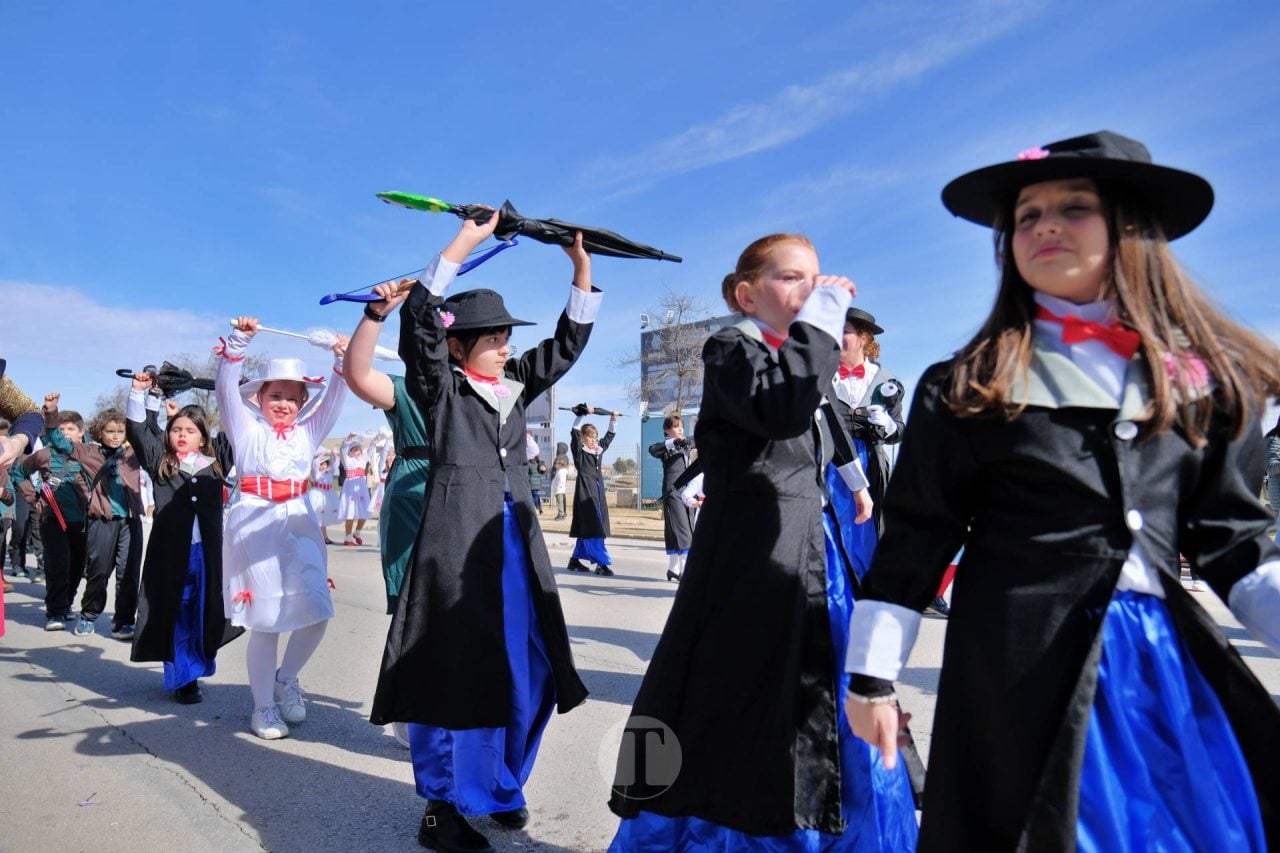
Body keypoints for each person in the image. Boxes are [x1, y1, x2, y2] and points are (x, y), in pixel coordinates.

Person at [844, 131, 1280, 850]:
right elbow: (918, 536)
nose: (1044, 224)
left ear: (1132, 229)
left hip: (1164, 678)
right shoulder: (966, 388)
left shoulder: (1201, 386)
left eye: (1074, 207)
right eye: (1027, 215)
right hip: (1018, 672)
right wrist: (872, 679)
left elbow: (1233, 543)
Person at [609, 234, 916, 851]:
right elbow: (782, 409)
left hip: (811, 542)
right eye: (791, 278)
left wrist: (856, 483)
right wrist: (824, 323)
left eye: (817, 278)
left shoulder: (805, 357)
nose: (811, 290)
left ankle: (835, 826)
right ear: (746, 295)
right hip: (752, 550)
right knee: (744, 695)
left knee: (822, 690)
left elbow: (827, 420)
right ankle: (746, 824)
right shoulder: (731, 348)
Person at [369, 213, 594, 852]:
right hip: (454, 545)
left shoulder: (516, 389)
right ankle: (441, 807)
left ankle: (497, 787)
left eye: (503, 335)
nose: (502, 344)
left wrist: (580, 271)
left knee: (529, 667)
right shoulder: (441, 389)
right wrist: (465, 242)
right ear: (460, 347)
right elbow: (419, 327)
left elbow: (567, 345)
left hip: (516, 550)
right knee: (451, 670)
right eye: (491, 337)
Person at [217, 319, 349, 739]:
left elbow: (334, 398)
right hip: (254, 522)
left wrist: (341, 361)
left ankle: (287, 678)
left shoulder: (309, 431)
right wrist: (239, 343)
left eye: (293, 398)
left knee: (317, 611)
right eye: (276, 395)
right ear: (259, 396)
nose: (285, 404)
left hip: (299, 520)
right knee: (267, 619)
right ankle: (263, 708)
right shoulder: (245, 426)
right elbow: (225, 386)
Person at [126, 374, 241, 704]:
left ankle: (197, 666)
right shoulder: (161, 462)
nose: (182, 435)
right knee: (176, 610)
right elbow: (137, 429)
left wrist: (233, 385)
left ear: (203, 437)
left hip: (206, 554)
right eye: (176, 429)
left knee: (202, 611)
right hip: (171, 555)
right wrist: (140, 392)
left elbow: (236, 425)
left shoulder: (217, 461)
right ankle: (183, 678)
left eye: (190, 431)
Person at [40, 395, 144, 639]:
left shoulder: (133, 454)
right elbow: (58, 441)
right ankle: (88, 616)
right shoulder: (88, 452)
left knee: (128, 573)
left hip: (130, 521)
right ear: (100, 432)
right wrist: (52, 412)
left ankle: (124, 622)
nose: (116, 435)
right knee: (98, 571)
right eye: (110, 431)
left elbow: (153, 441)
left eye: (120, 431)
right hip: (101, 522)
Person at [22, 400, 91, 632]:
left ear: (81, 432)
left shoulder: (88, 455)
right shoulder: (44, 455)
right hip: (52, 519)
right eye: (61, 429)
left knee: (77, 567)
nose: (65, 434)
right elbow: (19, 472)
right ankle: (55, 611)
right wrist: (33, 497)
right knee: (58, 564)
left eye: (71, 429)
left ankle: (67, 603)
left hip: (83, 521)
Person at [567, 406, 617, 575]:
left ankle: (575, 560)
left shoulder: (598, 450)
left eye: (595, 438)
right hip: (585, 492)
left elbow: (609, 437)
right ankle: (601, 563)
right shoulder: (580, 453)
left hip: (598, 491)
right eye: (590, 438)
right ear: (583, 437)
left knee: (590, 527)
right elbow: (574, 433)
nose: (594, 441)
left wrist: (613, 418)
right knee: (593, 527)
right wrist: (581, 415)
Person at [648, 415, 696, 582]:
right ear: (667, 430)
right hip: (673, 491)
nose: (680, 428)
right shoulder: (666, 447)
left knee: (684, 528)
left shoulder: (688, 443)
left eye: (681, 426)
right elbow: (652, 449)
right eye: (676, 426)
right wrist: (674, 442)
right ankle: (685, 573)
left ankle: (673, 569)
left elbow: (701, 438)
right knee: (683, 531)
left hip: (689, 491)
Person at [338, 433, 371, 546]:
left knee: (365, 512)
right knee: (350, 513)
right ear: (350, 452)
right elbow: (342, 449)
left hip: (361, 489)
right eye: (354, 450)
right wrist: (348, 440)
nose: (357, 452)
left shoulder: (363, 459)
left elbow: (372, 448)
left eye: (358, 449)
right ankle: (347, 538)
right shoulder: (347, 460)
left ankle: (357, 533)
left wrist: (378, 438)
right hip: (350, 488)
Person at [308, 450, 340, 544]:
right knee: (318, 517)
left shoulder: (329, 472)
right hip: (318, 495)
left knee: (323, 518)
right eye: (321, 464)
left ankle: (324, 537)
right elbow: (315, 465)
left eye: (324, 464)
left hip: (328, 495)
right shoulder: (316, 474)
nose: (322, 466)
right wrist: (321, 455)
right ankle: (319, 537)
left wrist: (334, 455)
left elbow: (335, 464)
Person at [550, 455, 569, 521]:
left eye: (556, 464)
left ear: (560, 464)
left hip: (559, 490)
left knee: (560, 502)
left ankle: (561, 515)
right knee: (559, 502)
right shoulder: (559, 471)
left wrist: (558, 487)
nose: (555, 465)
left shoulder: (562, 472)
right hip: (558, 489)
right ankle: (560, 514)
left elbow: (561, 481)